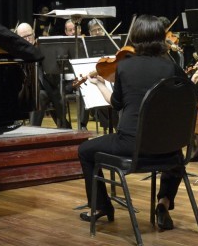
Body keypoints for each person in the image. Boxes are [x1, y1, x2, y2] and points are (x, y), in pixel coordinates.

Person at [78, 15, 189, 229]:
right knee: (176, 152)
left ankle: (101, 206)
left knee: (84, 150)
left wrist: (101, 84)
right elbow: (188, 97)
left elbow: (116, 104)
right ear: (160, 37)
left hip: (131, 146)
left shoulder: (125, 67)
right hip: (168, 149)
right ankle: (163, 202)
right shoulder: (171, 67)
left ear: (135, 37)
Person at [16, 23, 71, 129]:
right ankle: (64, 127)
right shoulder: (17, 53)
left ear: (34, 33)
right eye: (24, 37)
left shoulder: (43, 49)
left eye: (30, 35)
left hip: (46, 88)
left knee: (41, 96)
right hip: (24, 91)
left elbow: (53, 75)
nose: (28, 39)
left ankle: (33, 129)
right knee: (40, 96)